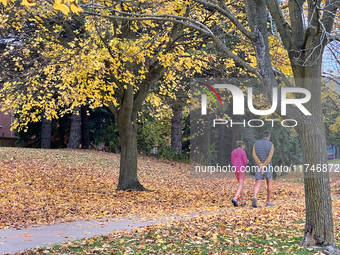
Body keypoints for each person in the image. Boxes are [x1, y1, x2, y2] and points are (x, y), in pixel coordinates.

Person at [252, 130, 275, 208]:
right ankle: (268, 201)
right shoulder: (271, 144)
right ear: (269, 136)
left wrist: (260, 165)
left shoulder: (256, 144)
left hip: (259, 167)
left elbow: (254, 155)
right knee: (269, 182)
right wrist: (264, 165)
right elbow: (270, 156)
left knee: (257, 182)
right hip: (267, 166)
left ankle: (254, 196)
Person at [231, 141, 249, 207]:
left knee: (240, 185)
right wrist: (248, 161)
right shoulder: (243, 152)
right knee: (241, 184)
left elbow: (232, 162)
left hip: (235, 169)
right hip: (241, 169)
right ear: (242, 145)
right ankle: (235, 198)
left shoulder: (233, 152)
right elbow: (245, 161)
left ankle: (243, 201)